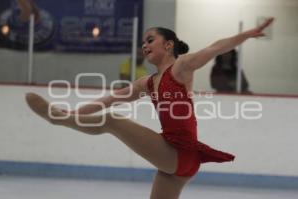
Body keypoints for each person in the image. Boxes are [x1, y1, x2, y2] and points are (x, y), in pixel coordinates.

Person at [25, 18, 274, 199]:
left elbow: (214, 48)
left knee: (112, 120)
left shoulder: (181, 67)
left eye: (150, 39)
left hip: (180, 153)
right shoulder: (148, 82)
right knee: (110, 111)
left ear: (168, 45)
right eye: (143, 41)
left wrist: (247, 34)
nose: (144, 45)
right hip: (176, 163)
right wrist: (75, 112)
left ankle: (57, 119)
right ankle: (64, 117)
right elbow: (109, 99)